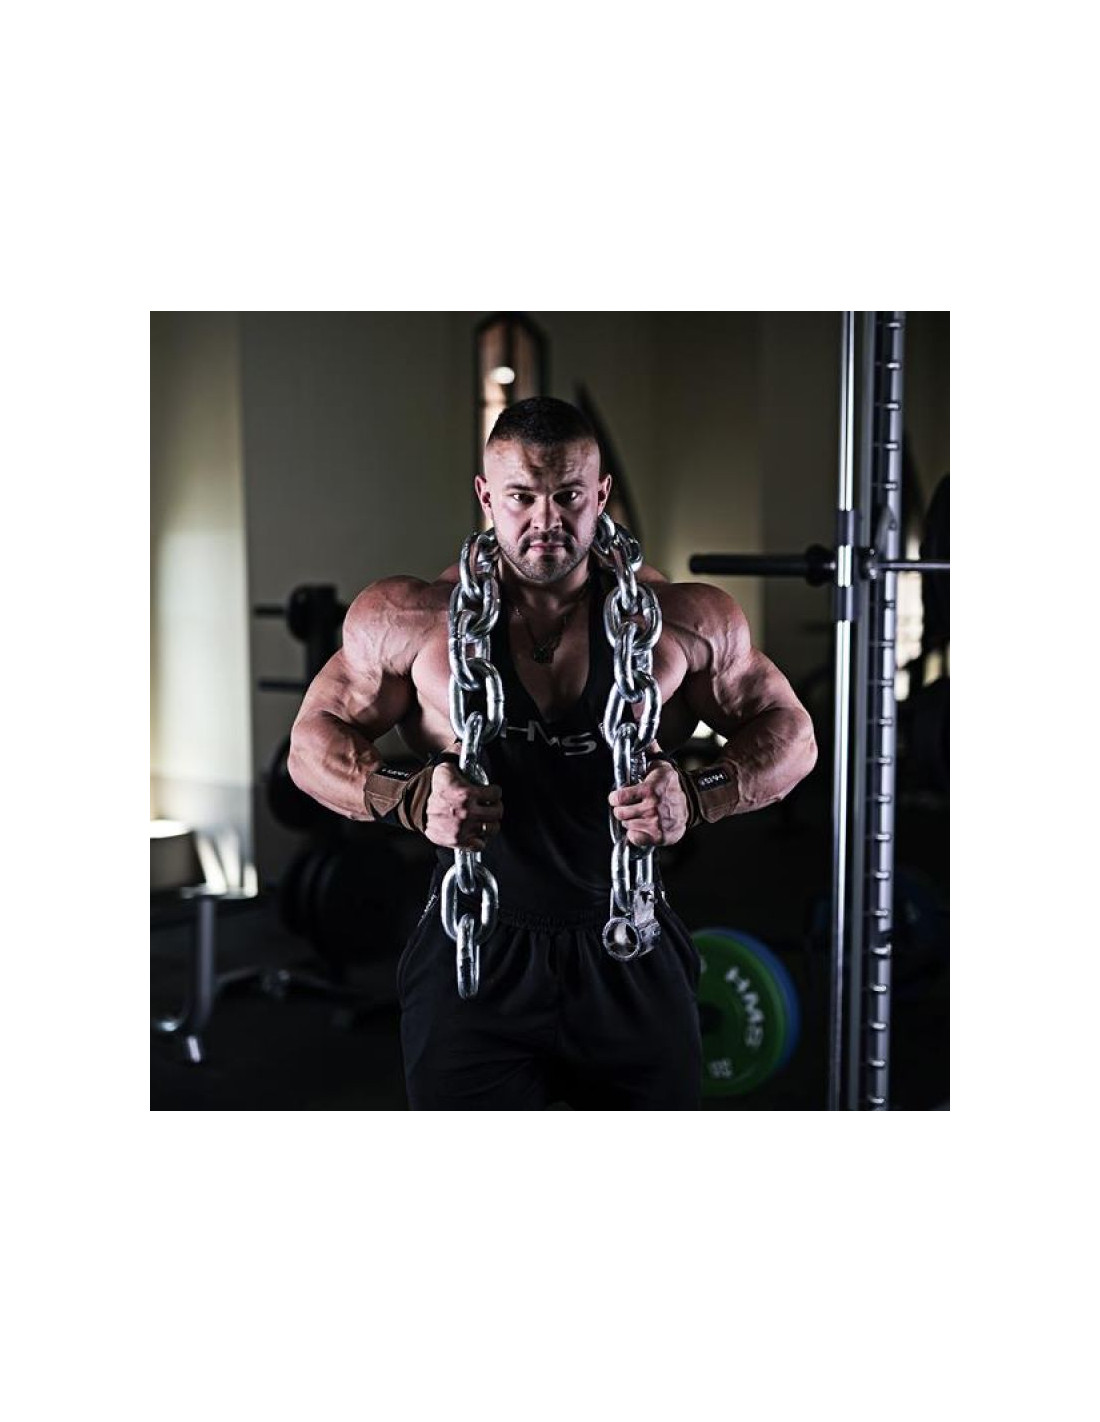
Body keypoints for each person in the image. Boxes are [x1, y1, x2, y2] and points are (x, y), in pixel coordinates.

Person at [289, 396, 817, 1110]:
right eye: (521, 497)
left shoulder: (682, 620)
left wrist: (699, 796)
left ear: (601, 493)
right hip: (475, 951)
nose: (546, 521)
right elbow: (310, 744)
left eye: (568, 495)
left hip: (629, 942)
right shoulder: (409, 619)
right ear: (486, 497)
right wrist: (408, 797)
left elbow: (793, 735)